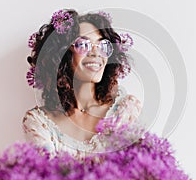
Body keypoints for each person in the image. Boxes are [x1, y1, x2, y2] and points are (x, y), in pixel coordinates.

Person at [22, 9, 142, 159]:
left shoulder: (125, 110)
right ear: (61, 55)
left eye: (102, 45)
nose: (96, 53)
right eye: (84, 44)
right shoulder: (38, 122)